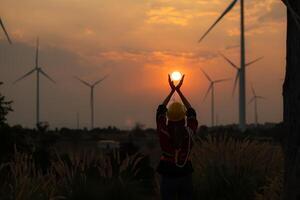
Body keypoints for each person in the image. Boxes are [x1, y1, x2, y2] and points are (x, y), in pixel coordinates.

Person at [156, 74, 198, 200]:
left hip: (168, 174)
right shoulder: (189, 132)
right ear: (183, 117)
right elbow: (191, 112)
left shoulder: (163, 131)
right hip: (185, 174)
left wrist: (172, 91)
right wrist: (179, 91)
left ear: (168, 116)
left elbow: (160, 110)